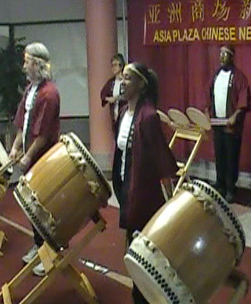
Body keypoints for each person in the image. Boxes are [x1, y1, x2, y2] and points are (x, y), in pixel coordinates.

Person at [112, 62, 178, 304]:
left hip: (143, 194)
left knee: (140, 252)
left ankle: (143, 298)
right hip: (126, 189)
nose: (123, 82)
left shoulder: (148, 116)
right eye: (123, 77)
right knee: (134, 247)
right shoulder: (122, 113)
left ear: (141, 84)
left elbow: (161, 156)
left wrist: (171, 197)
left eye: (128, 78)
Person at [9, 42, 60, 277]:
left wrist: (28, 155)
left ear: (37, 64)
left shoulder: (50, 93)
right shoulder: (31, 89)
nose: (24, 66)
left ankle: (48, 250)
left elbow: (43, 132)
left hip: (43, 156)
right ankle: (39, 245)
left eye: (27, 61)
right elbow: (23, 122)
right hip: (30, 154)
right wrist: (15, 147)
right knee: (30, 203)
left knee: (42, 204)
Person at [205, 45, 251, 201]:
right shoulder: (216, 75)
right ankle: (220, 184)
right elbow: (209, 95)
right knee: (220, 155)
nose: (221, 57)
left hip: (231, 126)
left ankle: (231, 187)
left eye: (225, 54)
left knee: (231, 157)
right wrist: (207, 112)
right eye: (220, 54)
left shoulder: (239, 77)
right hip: (217, 124)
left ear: (232, 57)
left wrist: (235, 116)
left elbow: (244, 100)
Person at [100, 53, 126, 132]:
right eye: (112, 65)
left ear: (121, 66)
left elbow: (129, 95)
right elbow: (102, 94)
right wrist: (108, 99)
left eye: (115, 65)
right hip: (115, 116)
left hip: (125, 115)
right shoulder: (111, 82)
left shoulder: (126, 81)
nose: (113, 68)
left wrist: (117, 98)